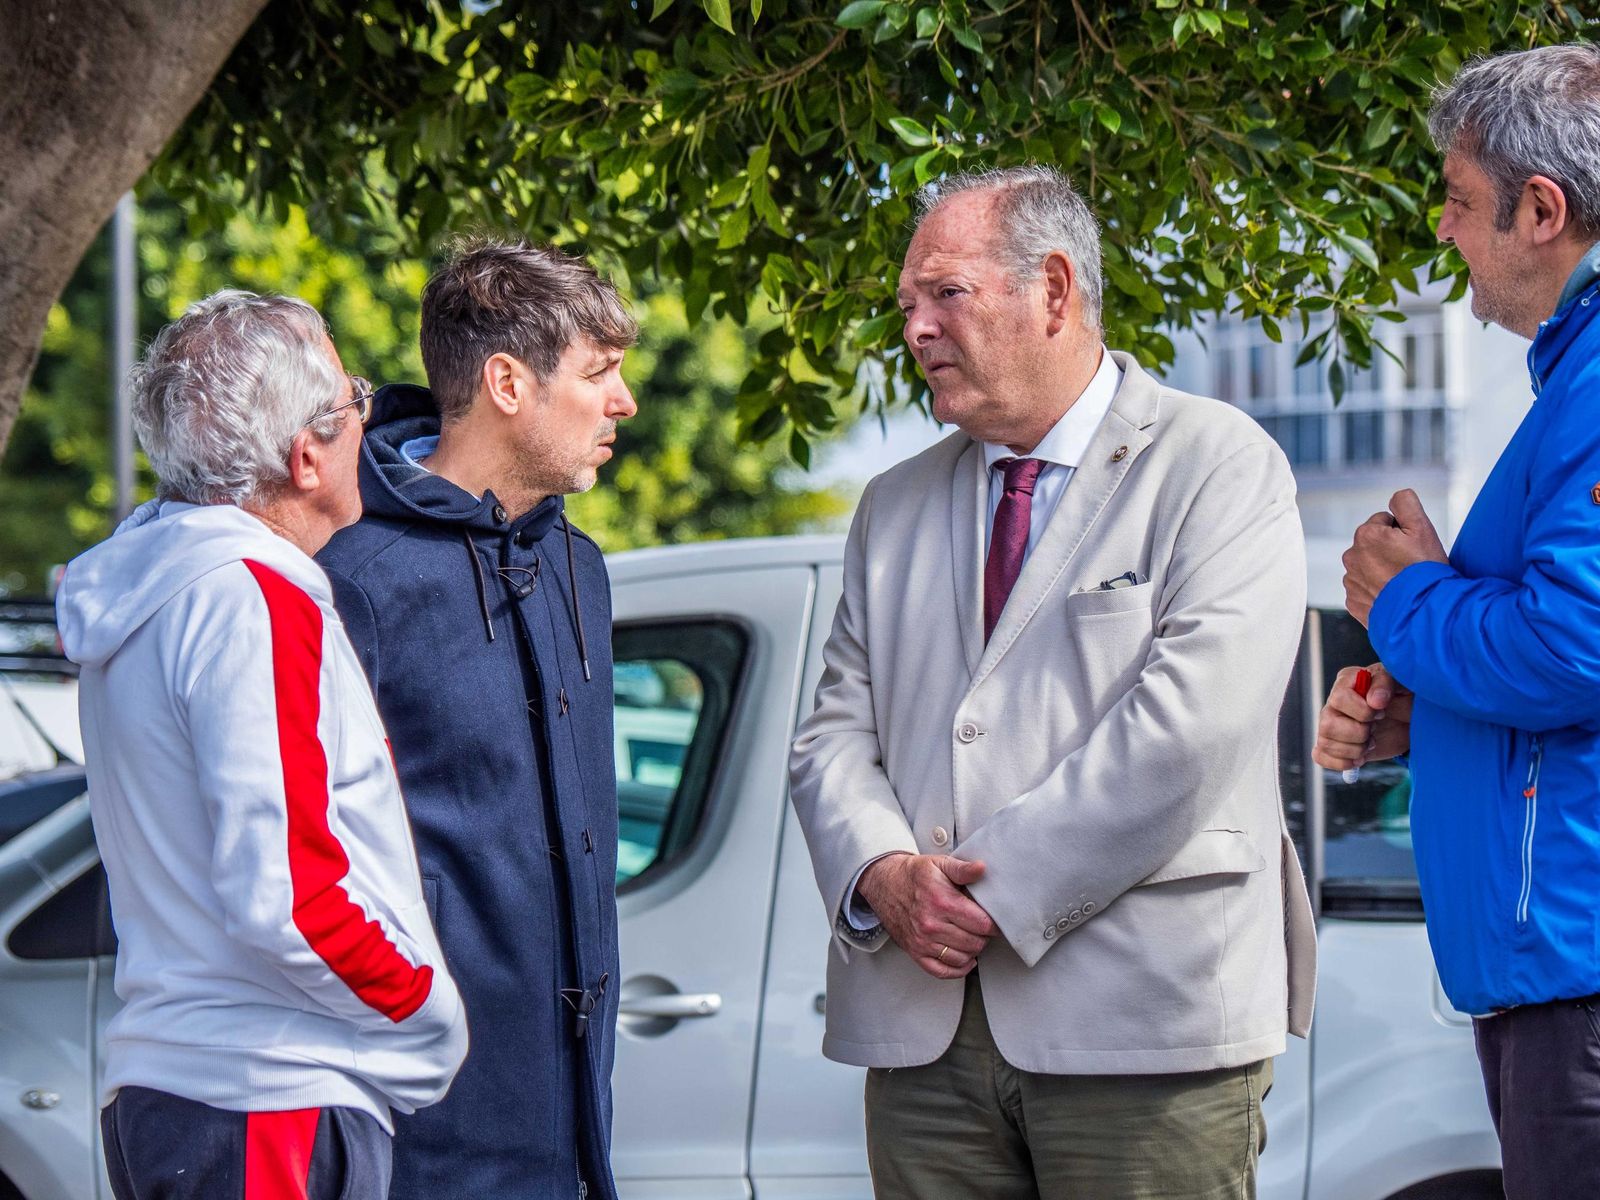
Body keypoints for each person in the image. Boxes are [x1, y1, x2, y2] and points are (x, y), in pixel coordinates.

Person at [788, 165, 1316, 1199]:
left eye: (945, 294)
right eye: (906, 306)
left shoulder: (1219, 464)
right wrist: (883, 876)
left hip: (1146, 1030)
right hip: (920, 1039)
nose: (917, 330)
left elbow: (1188, 731)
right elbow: (832, 735)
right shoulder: (890, 505)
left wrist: (992, 894)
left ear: (1055, 291)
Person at [55, 290, 467, 1200]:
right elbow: (291, 896)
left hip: (196, 1089)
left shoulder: (161, 587)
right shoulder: (253, 599)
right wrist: (428, 1011)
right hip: (269, 1098)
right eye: (352, 395)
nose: (368, 416)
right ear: (305, 454)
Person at [1313, 43, 1600, 1200]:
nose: (1442, 231)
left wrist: (1406, 597)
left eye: (1456, 200)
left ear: (1542, 209)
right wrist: (1425, 714)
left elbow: (1573, 648)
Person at [317, 239, 637, 1200]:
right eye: (599, 374)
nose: (622, 403)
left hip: (577, 1135)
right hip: (427, 1136)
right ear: (506, 381)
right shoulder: (350, 578)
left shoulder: (581, 567)